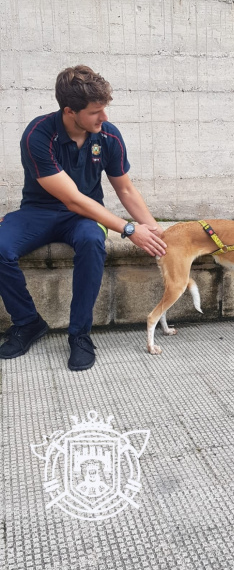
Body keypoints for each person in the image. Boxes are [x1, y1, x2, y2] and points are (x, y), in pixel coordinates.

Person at [0, 65, 167, 370]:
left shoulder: (108, 136)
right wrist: (129, 229)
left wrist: (154, 230)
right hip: (39, 211)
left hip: (84, 217)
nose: (104, 118)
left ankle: (79, 335)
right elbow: (72, 198)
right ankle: (27, 323)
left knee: (92, 241)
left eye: (105, 109)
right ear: (69, 111)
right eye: (95, 112)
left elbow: (126, 190)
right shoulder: (38, 135)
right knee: (0, 248)